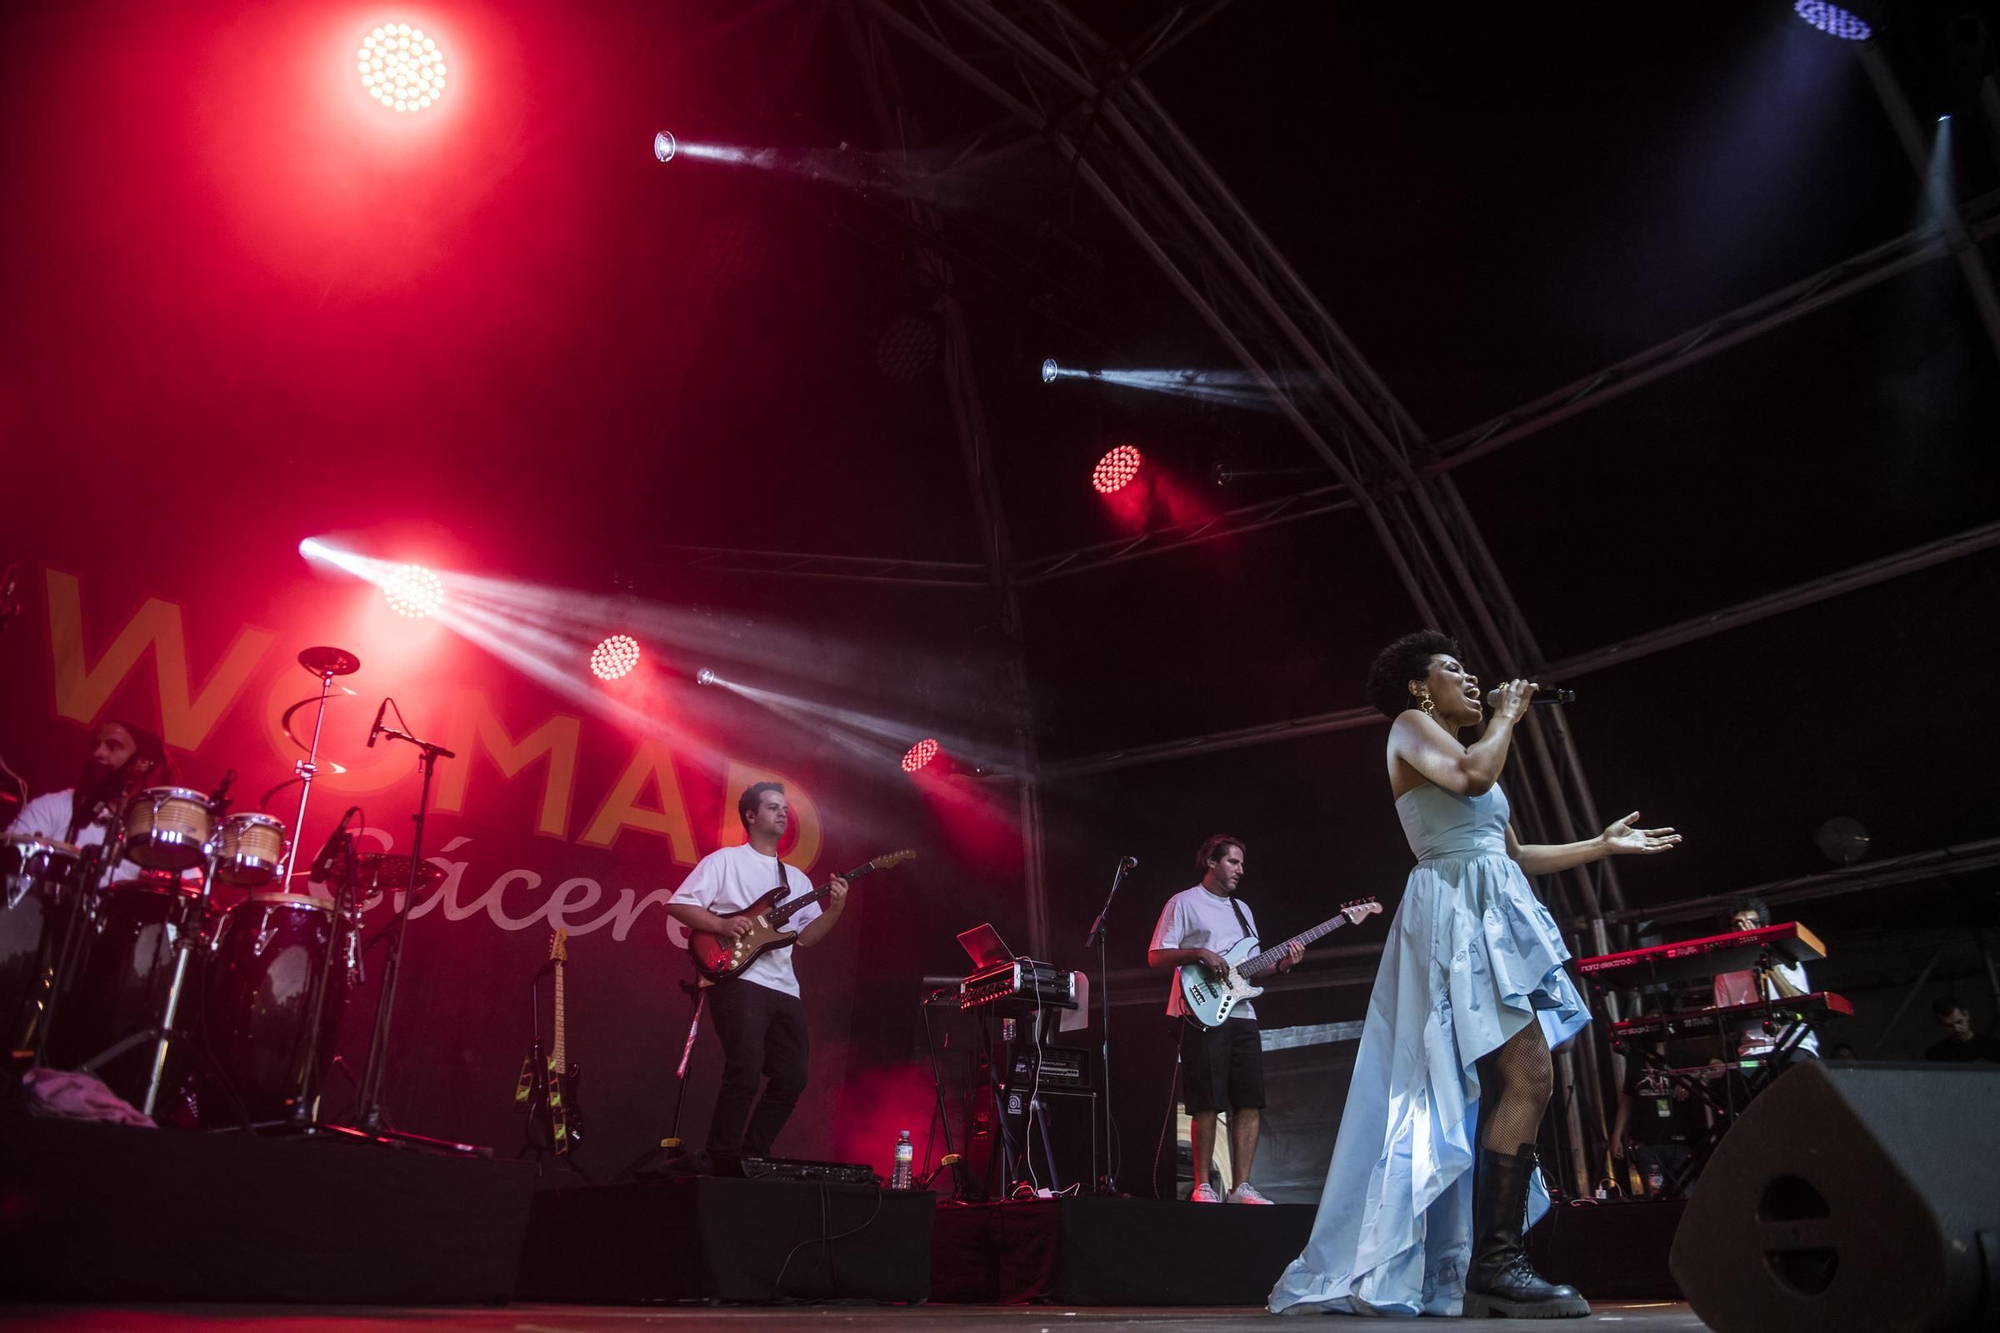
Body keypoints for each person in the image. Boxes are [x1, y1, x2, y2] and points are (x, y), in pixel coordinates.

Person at [1270, 630, 1680, 1318]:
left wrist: (1601, 844)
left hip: (1491, 903)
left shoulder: (1469, 745)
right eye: (1452, 668)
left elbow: (1513, 849)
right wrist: (1507, 717)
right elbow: (1472, 780)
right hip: (1454, 912)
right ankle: (1495, 1264)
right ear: (1418, 686)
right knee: (1524, 1074)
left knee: (1513, 1078)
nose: (1470, 677)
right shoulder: (1411, 727)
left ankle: (1487, 1261)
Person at [666, 781, 847, 1168]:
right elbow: (679, 904)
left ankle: (752, 1153)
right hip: (738, 980)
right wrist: (722, 923)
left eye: (785, 808)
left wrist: (835, 907)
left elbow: (809, 938)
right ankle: (723, 1156)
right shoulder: (725, 862)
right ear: (751, 816)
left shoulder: (796, 879)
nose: (784, 813)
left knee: (793, 1077)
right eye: (773, 807)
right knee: (745, 1069)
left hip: (784, 988)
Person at [1147, 834, 1303, 1204]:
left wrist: (1281, 965)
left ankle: (1241, 1187)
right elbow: (1156, 956)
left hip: (1243, 1014)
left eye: (1242, 864)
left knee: (1250, 1098)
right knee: (1206, 1099)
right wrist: (1200, 953)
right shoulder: (1183, 902)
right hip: (1200, 1012)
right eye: (1233, 862)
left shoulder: (1242, 910)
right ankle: (1203, 1185)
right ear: (1211, 862)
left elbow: (1251, 968)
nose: (1240, 870)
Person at [6, 720, 175, 882]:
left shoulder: (156, 829)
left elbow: (190, 884)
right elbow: (9, 858)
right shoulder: (55, 806)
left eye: (112, 746)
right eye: (96, 745)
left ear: (143, 762)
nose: (98, 753)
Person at [1712, 898, 1818, 1064]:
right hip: (1752, 1052)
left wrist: (1763, 954)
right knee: (1739, 1077)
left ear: (1764, 927)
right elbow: (1726, 1025)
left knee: (1798, 1073)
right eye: (1738, 924)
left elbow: (1800, 1005)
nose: (1744, 929)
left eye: (1752, 922)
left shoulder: (1786, 959)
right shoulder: (1725, 974)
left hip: (1795, 1044)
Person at [1610, 1047, 1707, 1198]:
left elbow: (1717, 1066)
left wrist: (1691, 1080)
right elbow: (1628, 1098)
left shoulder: (1680, 1056)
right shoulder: (1635, 1060)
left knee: (1686, 1196)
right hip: (1647, 1143)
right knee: (1656, 1197)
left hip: (1679, 1142)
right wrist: (1616, 1136)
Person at [1924, 997, 2000, 1062]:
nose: (1957, 1029)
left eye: (1959, 1022)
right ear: (1940, 1024)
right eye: (1949, 1025)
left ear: (1966, 1015)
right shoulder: (1935, 1053)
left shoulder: (1993, 1046)